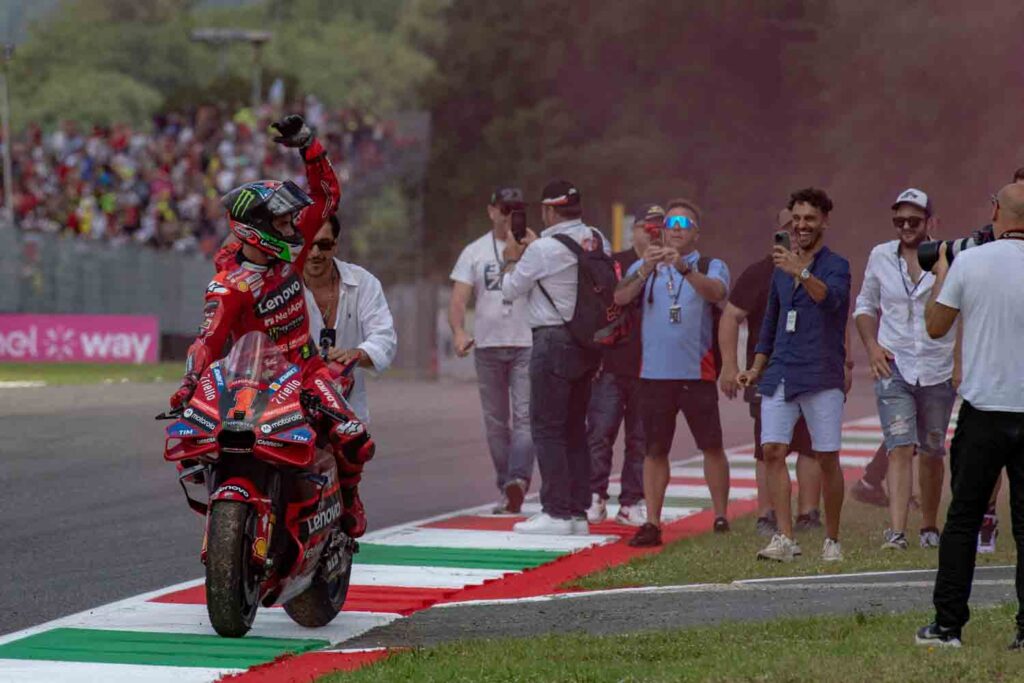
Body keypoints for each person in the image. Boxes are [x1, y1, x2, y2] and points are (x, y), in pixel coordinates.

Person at [169, 115, 375, 538]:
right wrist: (189, 384)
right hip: (247, 385)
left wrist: (310, 147)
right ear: (257, 229)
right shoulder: (228, 286)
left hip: (306, 371)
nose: (293, 230)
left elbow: (326, 197)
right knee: (199, 445)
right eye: (282, 223)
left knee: (356, 438)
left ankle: (349, 496)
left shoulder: (289, 260)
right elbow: (207, 341)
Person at [916, 183, 1024, 648]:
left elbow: (936, 328)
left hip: (983, 411)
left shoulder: (970, 261)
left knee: (962, 519)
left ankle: (947, 626)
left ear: (996, 211)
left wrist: (942, 274)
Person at [737, 187, 851, 563]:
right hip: (781, 370)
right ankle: (785, 538)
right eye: (796, 219)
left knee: (826, 456)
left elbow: (830, 300)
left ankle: (831, 538)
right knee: (772, 449)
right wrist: (754, 367)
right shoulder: (779, 271)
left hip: (820, 371)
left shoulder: (836, 265)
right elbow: (769, 323)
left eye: (809, 219)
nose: (801, 226)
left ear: (824, 223)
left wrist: (799, 270)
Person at [614, 198, 731, 547]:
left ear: (696, 232)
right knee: (654, 449)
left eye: (684, 226)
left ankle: (721, 515)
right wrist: (645, 269)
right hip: (654, 374)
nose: (676, 231)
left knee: (711, 445)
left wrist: (684, 269)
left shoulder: (710, 264)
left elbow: (718, 292)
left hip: (697, 373)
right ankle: (651, 520)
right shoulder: (646, 264)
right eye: (671, 225)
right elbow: (620, 298)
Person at [500, 180, 610, 535]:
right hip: (587, 343)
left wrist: (512, 259)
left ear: (549, 210)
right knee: (575, 429)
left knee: (547, 428)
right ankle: (577, 512)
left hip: (551, 342)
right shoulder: (598, 239)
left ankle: (556, 512)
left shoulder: (542, 249)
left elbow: (510, 289)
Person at [854, 188, 958, 551]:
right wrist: (871, 347)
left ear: (931, 222)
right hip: (894, 364)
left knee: (931, 450)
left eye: (914, 221)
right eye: (899, 221)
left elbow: (964, 310)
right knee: (899, 446)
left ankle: (929, 526)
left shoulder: (950, 256)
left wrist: (959, 362)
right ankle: (896, 532)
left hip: (937, 366)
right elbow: (865, 305)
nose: (906, 227)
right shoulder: (880, 256)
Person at [720, 208, 822, 538]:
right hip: (768, 374)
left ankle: (808, 513)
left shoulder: (820, 268)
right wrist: (730, 366)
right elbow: (729, 316)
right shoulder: (758, 273)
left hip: (812, 370)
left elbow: (839, 316)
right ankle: (767, 513)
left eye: (803, 225)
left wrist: (846, 365)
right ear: (776, 234)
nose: (796, 232)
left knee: (810, 445)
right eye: (788, 228)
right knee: (768, 446)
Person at [449, 187, 536, 514]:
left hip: (526, 342)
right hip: (487, 345)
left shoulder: (536, 248)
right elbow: (459, 298)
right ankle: (506, 488)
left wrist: (533, 248)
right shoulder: (474, 252)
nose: (509, 215)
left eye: (516, 209)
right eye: (504, 208)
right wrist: (458, 331)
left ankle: (518, 480)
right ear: (492, 211)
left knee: (526, 418)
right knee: (497, 424)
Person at [585, 203, 659, 527]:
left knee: (640, 440)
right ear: (635, 229)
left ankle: (632, 500)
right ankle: (594, 496)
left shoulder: (673, 265)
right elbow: (613, 302)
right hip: (614, 363)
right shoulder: (616, 263)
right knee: (600, 432)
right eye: (647, 226)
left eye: (659, 226)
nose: (653, 232)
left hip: (652, 366)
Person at [303, 213, 398, 424]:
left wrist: (355, 354)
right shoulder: (284, 285)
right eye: (309, 244)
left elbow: (384, 338)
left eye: (324, 245)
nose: (315, 252)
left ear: (335, 245)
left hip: (349, 415)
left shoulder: (363, 282)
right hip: (294, 416)